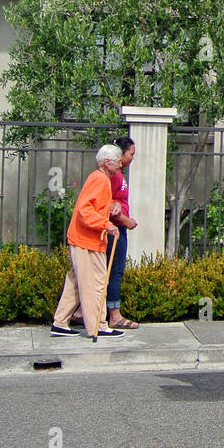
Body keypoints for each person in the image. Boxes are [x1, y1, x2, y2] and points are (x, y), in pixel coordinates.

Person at [50, 144, 125, 339]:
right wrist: (106, 224)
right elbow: (85, 210)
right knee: (95, 283)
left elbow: (95, 204)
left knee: (76, 282)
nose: (120, 165)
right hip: (87, 241)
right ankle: (97, 326)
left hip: (85, 239)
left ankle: (60, 322)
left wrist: (112, 206)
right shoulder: (100, 179)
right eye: (118, 161)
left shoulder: (100, 179)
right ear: (107, 162)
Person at [105, 135, 138, 329]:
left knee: (112, 271)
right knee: (115, 271)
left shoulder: (118, 174)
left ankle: (81, 312)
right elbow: (107, 204)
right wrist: (127, 221)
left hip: (119, 228)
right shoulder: (113, 175)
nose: (132, 158)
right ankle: (114, 315)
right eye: (131, 154)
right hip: (115, 230)